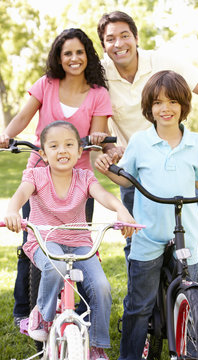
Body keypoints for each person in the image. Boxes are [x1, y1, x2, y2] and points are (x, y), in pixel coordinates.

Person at [97, 10, 198, 324]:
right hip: (136, 168)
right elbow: (97, 119)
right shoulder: (99, 73)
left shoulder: (164, 61)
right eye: (110, 39)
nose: (119, 44)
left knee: (194, 236)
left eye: (124, 35)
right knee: (137, 244)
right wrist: (107, 147)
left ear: (136, 37)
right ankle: (142, 313)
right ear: (103, 46)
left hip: (174, 158)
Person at [95, 70, 198, 359]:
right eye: (159, 103)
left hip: (186, 232)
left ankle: (190, 344)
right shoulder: (140, 142)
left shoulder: (195, 143)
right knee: (139, 306)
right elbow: (127, 179)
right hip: (148, 233)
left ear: (184, 106)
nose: (166, 108)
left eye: (173, 102)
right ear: (149, 107)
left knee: (193, 293)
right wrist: (108, 169)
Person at [0, 28, 112, 327]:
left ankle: (72, 312)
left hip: (78, 181)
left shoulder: (98, 93)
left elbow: (97, 135)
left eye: (79, 52)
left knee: (77, 248)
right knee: (33, 243)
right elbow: (23, 117)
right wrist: (7, 135)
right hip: (41, 174)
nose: (74, 58)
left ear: (87, 54)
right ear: (59, 58)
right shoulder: (46, 84)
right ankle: (25, 312)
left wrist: (100, 137)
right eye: (67, 53)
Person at [4, 121, 137, 360]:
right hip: (45, 241)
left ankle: (96, 345)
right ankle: (42, 318)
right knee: (54, 270)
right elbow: (21, 194)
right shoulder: (36, 175)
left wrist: (121, 209)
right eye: (53, 146)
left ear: (79, 152)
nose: (62, 150)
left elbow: (104, 195)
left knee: (101, 287)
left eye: (68, 145)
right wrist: (13, 210)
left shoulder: (84, 177)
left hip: (79, 243)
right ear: (43, 154)